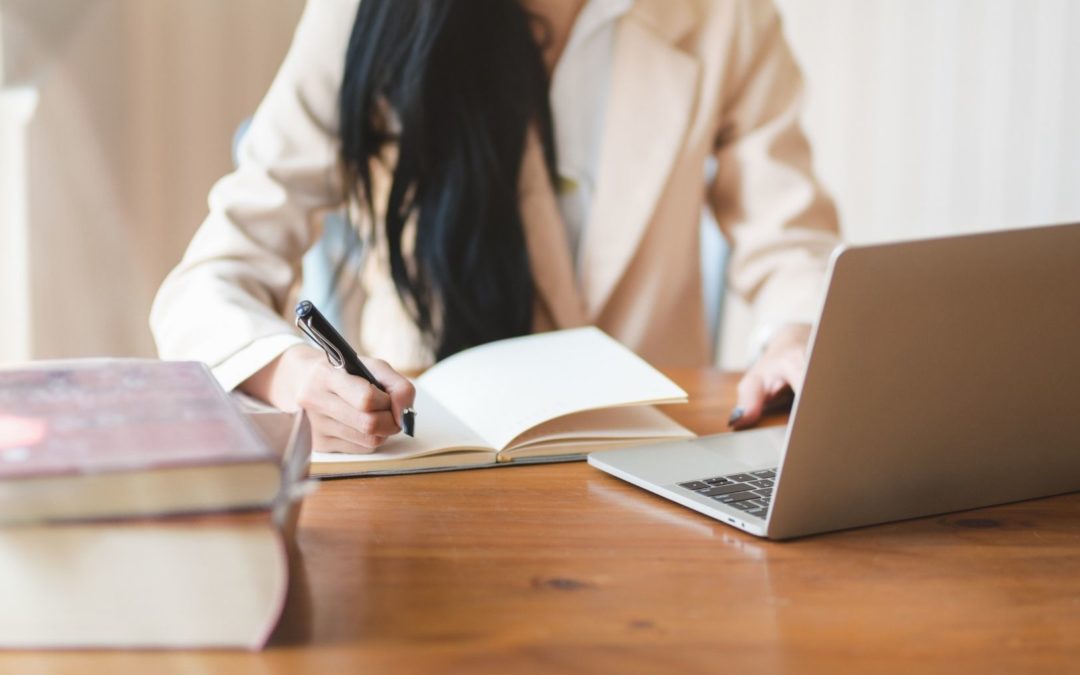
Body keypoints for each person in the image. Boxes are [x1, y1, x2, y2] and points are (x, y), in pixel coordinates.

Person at [151, 0, 841, 453]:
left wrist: (795, 334)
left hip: (650, 460)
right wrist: (294, 376)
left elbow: (790, 242)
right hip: (431, 460)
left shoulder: (727, 16)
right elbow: (209, 281)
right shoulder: (363, 15)